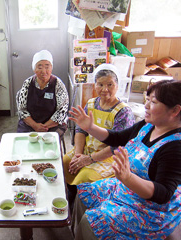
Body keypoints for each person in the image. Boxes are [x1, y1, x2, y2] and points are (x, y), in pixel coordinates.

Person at [70, 80, 181, 239]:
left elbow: (163, 194)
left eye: (153, 102)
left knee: (91, 223)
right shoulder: (148, 125)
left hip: (149, 208)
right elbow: (117, 138)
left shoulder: (175, 147)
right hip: (126, 186)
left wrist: (128, 177)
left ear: (175, 110)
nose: (146, 106)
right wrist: (90, 127)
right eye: (147, 100)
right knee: (83, 195)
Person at [63, 64, 135, 210]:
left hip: (109, 157)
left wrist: (89, 159)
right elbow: (80, 130)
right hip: (87, 150)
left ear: (117, 85)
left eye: (110, 84)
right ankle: (70, 198)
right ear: (95, 85)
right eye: (100, 84)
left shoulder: (123, 112)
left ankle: (79, 207)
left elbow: (117, 146)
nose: (105, 89)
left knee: (85, 176)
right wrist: (78, 154)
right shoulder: (90, 104)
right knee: (65, 162)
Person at [17, 50, 69, 137]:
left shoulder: (58, 84)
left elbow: (61, 111)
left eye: (47, 67)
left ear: (51, 67)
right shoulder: (27, 83)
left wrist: (43, 127)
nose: (44, 71)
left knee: (50, 142)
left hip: (53, 124)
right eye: (39, 67)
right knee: (24, 142)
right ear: (34, 69)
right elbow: (22, 110)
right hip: (30, 124)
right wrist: (35, 125)